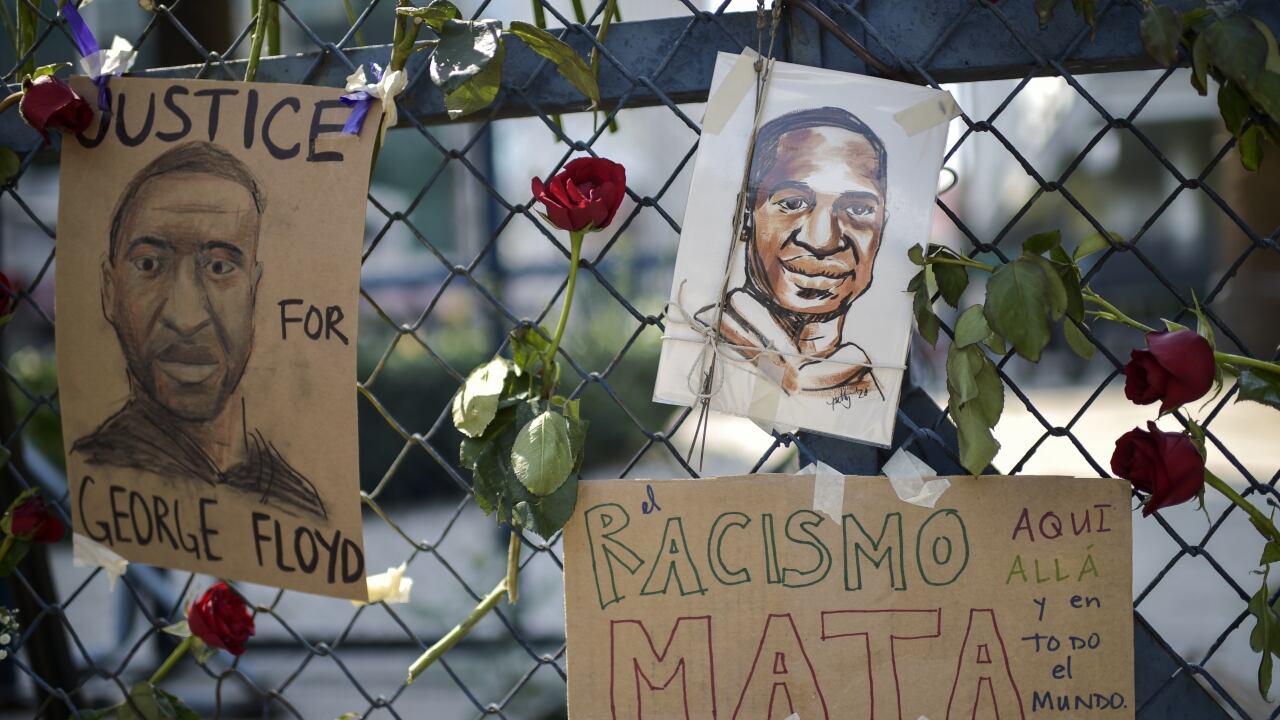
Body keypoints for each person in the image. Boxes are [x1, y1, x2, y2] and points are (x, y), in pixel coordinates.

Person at [71, 141, 326, 520]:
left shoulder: (298, 500)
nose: (186, 318)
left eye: (220, 267)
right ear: (109, 291)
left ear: (255, 292)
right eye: (149, 264)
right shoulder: (95, 472)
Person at [699, 106, 887, 400]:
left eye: (858, 208)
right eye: (792, 203)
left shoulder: (870, 379)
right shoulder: (702, 341)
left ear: (881, 228)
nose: (823, 241)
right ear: (745, 217)